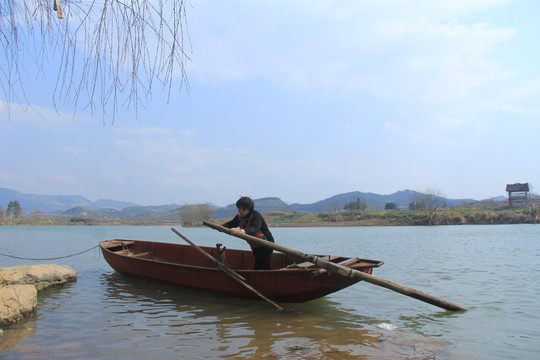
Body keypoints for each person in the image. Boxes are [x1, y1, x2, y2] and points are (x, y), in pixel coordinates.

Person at [222, 197, 274, 270]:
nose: (238, 210)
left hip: (266, 244)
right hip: (255, 245)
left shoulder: (256, 215)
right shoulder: (239, 217)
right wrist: (221, 227)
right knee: (260, 264)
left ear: (247, 209)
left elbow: (255, 228)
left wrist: (242, 231)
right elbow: (231, 224)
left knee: (262, 265)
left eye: (240, 208)